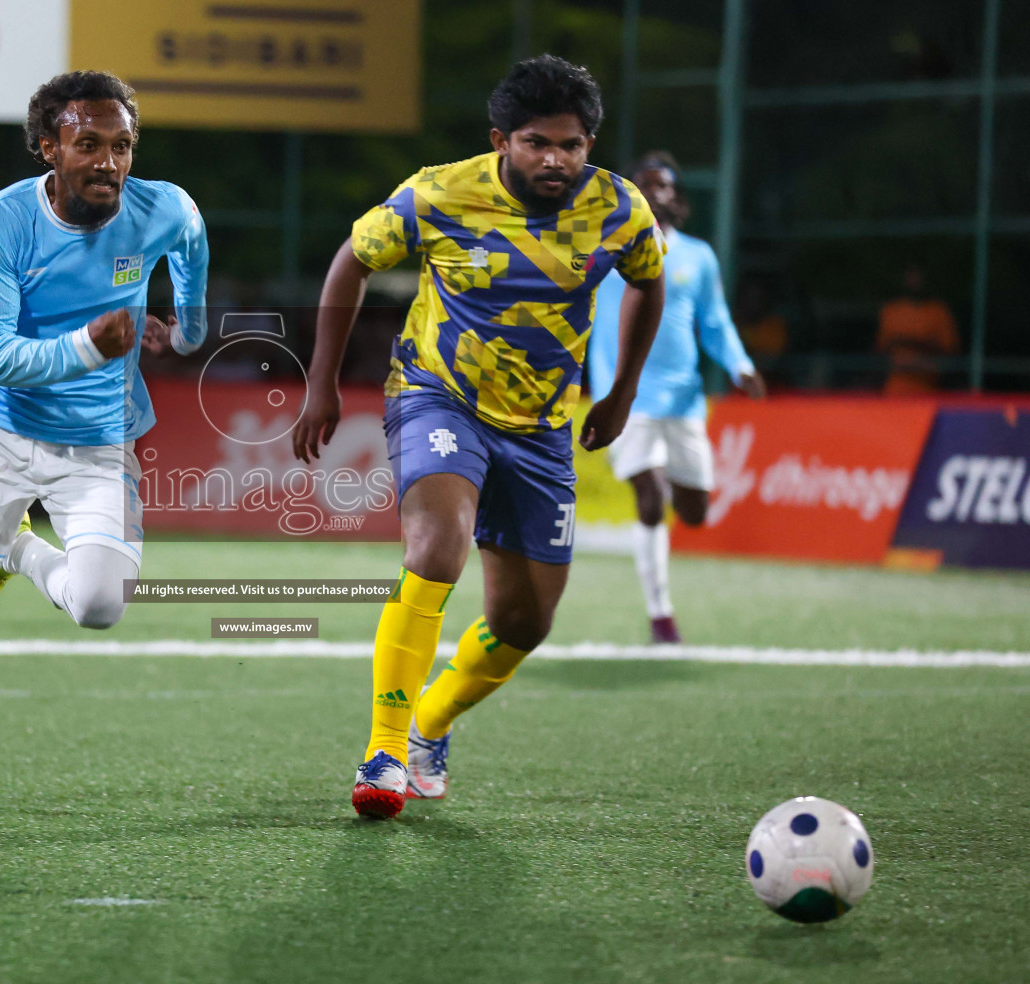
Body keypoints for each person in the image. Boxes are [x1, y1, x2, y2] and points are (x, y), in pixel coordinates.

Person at [292, 55, 666, 819]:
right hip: (439, 395)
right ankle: (385, 752)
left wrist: (623, 391)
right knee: (436, 547)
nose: (555, 158)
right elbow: (350, 263)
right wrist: (322, 382)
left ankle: (431, 723)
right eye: (536, 142)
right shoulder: (438, 193)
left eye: (571, 143)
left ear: (590, 144)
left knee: (525, 623)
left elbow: (649, 282)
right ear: (501, 140)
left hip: (542, 429)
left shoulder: (619, 209)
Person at [0, 71, 208, 814]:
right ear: (48, 150)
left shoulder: (164, 208)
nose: (109, 162)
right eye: (88, 144)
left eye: (122, 145)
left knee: (100, 605)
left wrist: (186, 327)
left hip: (98, 445)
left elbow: (189, 243)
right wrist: (91, 346)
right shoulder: (2, 221)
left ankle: (17, 551)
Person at [587, 151, 764, 644]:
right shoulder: (601, 250)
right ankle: (661, 615)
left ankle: (670, 507)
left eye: (662, 185)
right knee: (650, 495)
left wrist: (740, 365)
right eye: (642, 185)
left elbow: (715, 323)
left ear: (677, 198)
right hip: (625, 398)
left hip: (683, 402)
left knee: (694, 512)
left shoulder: (698, 257)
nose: (653, 192)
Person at [876, 265, 959, 395]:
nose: (915, 281)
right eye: (911, 277)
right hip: (895, 391)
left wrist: (908, 341)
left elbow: (949, 350)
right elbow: (881, 349)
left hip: (929, 390)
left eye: (918, 277)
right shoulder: (891, 310)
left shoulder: (939, 311)